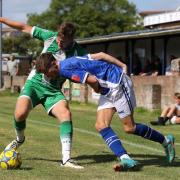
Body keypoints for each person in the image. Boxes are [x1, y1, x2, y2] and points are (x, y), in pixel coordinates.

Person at [36, 52, 176, 171]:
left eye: (46, 72)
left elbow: (92, 80)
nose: (47, 75)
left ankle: (165, 141)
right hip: (109, 89)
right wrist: (122, 65)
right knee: (101, 125)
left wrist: (97, 89)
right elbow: (101, 55)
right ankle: (125, 158)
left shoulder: (65, 69)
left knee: (129, 127)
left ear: (54, 63)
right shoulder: (70, 61)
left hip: (117, 85)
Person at [0, 17, 87, 169]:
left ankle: (66, 159)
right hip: (34, 84)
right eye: (59, 40)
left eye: (63, 41)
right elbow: (22, 26)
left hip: (53, 91)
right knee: (19, 114)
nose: (59, 43)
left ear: (71, 39)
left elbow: (91, 66)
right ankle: (19, 139)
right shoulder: (50, 36)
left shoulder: (78, 52)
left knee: (66, 114)